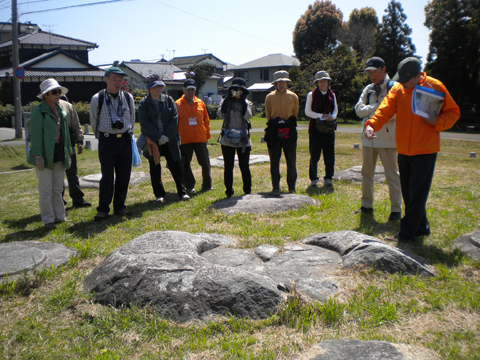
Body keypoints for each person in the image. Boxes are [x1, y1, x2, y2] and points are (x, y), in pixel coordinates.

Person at [365, 57, 460, 242]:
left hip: (425, 151)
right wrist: (371, 125)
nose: (402, 83)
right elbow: (385, 109)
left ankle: (407, 234)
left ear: (418, 76)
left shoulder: (435, 86)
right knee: (409, 193)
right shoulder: (398, 89)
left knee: (417, 194)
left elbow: (454, 112)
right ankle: (422, 227)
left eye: (406, 80)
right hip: (403, 150)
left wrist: (437, 122)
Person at [354, 57, 402, 221]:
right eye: (369, 72)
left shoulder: (394, 88)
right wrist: (378, 108)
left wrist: (373, 112)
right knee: (366, 172)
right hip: (368, 137)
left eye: (375, 72)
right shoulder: (368, 89)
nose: (372, 75)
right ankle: (366, 206)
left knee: (392, 175)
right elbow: (359, 110)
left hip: (387, 137)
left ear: (383, 69)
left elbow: (395, 112)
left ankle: (396, 210)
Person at [89, 66, 135, 221]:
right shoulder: (98, 98)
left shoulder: (128, 98)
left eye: (120, 80)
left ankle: (120, 206)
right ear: (106, 79)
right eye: (114, 79)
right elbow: (94, 121)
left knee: (124, 175)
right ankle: (103, 208)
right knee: (107, 176)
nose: (117, 83)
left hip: (124, 140)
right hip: (107, 140)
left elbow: (132, 120)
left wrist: (127, 133)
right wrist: (102, 137)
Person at [27, 79, 73, 228]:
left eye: (59, 91)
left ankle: (60, 216)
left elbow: (65, 132)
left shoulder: (61, 109)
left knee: (58, 188)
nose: (57, 94)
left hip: (59, 153)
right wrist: (38, 156)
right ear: (45, 95)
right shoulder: (38, 111)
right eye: (54, 92)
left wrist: (68, 152)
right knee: (46, 189)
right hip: (45, 155)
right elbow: (34, 135)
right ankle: (48, 219)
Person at [138, 74, 190, 202]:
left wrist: (166, 136)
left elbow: (174, 119)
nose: (158, 89)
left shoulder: (168, 100)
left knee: (175, 166)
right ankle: (159, 195)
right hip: (153, 141)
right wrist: (158, 136)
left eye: (160, 86)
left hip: (169, 139)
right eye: (155, 87)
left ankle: (181, 191)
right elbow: (144, 123)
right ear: (149, 89)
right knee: (155, 167)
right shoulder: (144, 103)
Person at [217, 77, 253, 198]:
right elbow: (220, 114)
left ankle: (247, 190)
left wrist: (242, 101)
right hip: (227, 140)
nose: (237, 92)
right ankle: (229, 191)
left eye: (240, 90)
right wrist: (227, 99)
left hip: (243, 140)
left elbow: (248, 116)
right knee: (228, 167)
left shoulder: (247, 103)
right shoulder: (225, 101)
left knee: (244, 166)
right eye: (235, 90)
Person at [264, 70, 299, 193]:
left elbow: (295, 113)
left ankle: (292, 186)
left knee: (291, 160)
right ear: (275, 84)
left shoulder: (293, 96)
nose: (281, 84)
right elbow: (268, 114)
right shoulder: (269, 97)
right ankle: (276, 186)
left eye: (284, 82)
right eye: (279, 82)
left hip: (289, 129)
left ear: (287, 83)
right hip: (274, 130)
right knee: (274, 160)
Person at [175, 79, 212, 193]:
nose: (191, 92)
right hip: (185, 139)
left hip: (200, 138)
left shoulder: (200, 103)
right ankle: (190, 185)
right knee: (185, 164)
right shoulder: (177, 104)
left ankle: (207, 185)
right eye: (188, 90)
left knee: (205, 163)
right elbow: (175, 123)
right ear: (183, 90)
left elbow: (206, 120)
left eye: (193, 90)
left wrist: (207, 134)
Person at [304, 70, 338, 189]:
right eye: (320, 81)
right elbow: (307, 111)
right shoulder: (311, 94)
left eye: (325, 81)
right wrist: (320, 116)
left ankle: (328, 177)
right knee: (314, 154)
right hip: (315, 128)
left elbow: (335, 111)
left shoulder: (332, 95)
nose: (323, 83)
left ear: (328, 82)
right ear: (317, 83)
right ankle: (313, 179)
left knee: (329, 154)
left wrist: (331, 117)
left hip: (329, 128)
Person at [59, 98, 92, 208]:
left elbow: (76, 125)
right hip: (53, 146)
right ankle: (59, 201)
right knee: (59, 175)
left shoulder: (68, 106)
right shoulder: (42, 109)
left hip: (68, 144)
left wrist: (79, 141)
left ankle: (77, 200)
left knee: (72, 173)